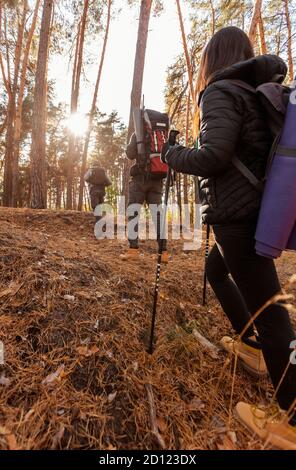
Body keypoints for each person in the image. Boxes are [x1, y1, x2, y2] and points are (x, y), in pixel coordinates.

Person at [162, 26, 296, 449]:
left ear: (213, 58)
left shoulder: (220, 91)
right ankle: (251, 345)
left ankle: (292, 416)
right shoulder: (256, 91)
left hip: (236, 217)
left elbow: (213, 156)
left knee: (272, 312)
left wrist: (170, 154)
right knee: (215, 269)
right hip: (255, 209)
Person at [120, 129, 169, 263]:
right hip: (157, 181)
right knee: (157, 215)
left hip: (140, 180)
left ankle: (133, 250)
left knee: (133, 213)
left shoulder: (138, 133)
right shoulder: (163, 134)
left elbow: (130, 154)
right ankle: (163, 252)